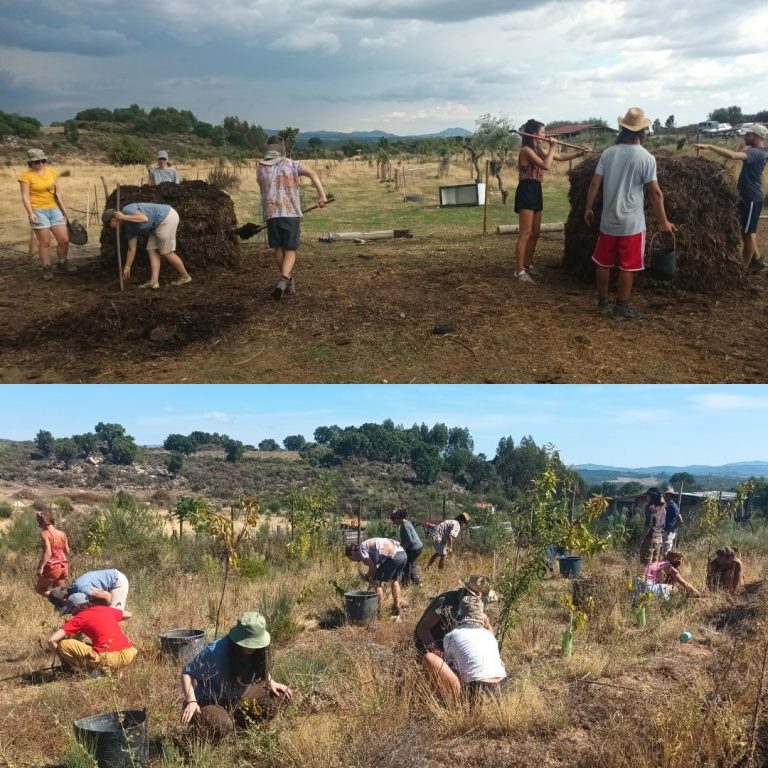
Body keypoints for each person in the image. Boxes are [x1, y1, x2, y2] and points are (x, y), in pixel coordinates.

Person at [585, 107, 676, 320]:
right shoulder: (646, 158)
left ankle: (602, 303)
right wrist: (663, 221)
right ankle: (621, 307)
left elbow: (594, 183)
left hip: (608, 222)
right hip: (632, 225)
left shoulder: (608, 153)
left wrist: (588, 208)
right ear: (642, 132)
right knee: (628, 266)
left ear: (623, 129)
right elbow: (655, 192)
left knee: (603, 262)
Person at [180, 611, 293, 739]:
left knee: (280, 695)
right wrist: (191, 701)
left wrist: (270, 680)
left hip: (239, 695)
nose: (252, 647)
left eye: (256, 643)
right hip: (210, 700)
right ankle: (202, 729)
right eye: (249, 642)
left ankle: (240, 724)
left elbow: (261, 664)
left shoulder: (260, 650)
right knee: (222, 725)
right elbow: (187, 672)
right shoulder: (214, 651)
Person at [256, 136, 328, 300]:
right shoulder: (292, 164)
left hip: (271, 213)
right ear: (282, 149)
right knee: (290, 249)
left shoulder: (260, 168)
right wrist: (322, 196)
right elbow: (312, 173)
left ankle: (288, 280)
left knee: (278, 248)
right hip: (291, 213)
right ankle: (284, 279)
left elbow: (262, 186)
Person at [514, 119, 586, 283]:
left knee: (535, 232)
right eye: (542, 132)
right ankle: (519, 271)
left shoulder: (537, 148)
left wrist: (579, 154)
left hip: (536, 189)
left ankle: (527, 265)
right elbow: (546, 165)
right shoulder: (526, 151)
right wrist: (552, 146)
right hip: (526, 190)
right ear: (534, 134)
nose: (545, 135)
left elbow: (557, 157)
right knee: (525, 233)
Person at [694, 124, 768, 272]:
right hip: (749, 196)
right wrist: (744, 147)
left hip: (751, 198)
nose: (745, 137)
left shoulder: (755, 153)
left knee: (748, 234)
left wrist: (709, 146)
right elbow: (740, 151)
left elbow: (733, 156)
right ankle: (757, 260)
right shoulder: (760, 151)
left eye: (748, 135)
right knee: (747, 230)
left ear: (756, 136)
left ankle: (744, 269)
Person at [414, 576, 495, 698]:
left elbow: (487, 629)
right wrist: (437, 652)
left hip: (455, 646)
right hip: (435, 644)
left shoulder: (475, 605)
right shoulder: (445, 602)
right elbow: (422, 630)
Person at [18, 148, 77, 280]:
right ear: (30, 162)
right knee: (45, 241)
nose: (40, 164)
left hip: (54, 209)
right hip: (38, 210)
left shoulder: (51, 172)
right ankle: (47, 268)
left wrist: (63, 208)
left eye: (42, 161)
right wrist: (30, 213)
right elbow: (25, 196)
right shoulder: (25, 177)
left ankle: (62, 263)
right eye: (36, 161)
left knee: (64, 240)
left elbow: (58, 192)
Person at [102, 203, 191, 289]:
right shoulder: (128, 229)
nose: (111, 227)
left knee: (166, 252)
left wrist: (124, 217)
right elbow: (131, 249)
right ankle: (154, 282)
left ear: (114, 219)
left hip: (166, 217)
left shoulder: (127, 210)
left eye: (109, 224)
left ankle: (185, 276)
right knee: (151, 249)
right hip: (155, 226)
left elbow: (144, 218)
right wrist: (127, 267)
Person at [47, 593, 137, 676]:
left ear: (76, 607)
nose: (72, 614)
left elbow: (51, 640)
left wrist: (63, 658)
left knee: (64, 644)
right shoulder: (104, 609)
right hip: (129, 654)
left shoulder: (80, 618)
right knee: (92, 646)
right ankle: (113, 670)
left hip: (109, 658)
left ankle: (95, 673)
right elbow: (129, 614)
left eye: (71, 610)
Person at [442, 595, 508, 703]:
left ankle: (452, 704)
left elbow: (448, 663)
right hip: (503, 685)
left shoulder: (451, 636)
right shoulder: (489, 635)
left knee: (430, 658)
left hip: (477, 688)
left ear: (460, 613)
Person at [344, 538, 406, 616]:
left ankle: (380, 611)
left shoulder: (361, 550)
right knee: (394, 580)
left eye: (351, 558)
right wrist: (370, 581)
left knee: (376, 583)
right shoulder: (366, 547)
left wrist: (366, 576)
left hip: (392, 556)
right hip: (402, 554)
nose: (352, 561)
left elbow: (373, 568)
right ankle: (397, 608)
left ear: (352, 553)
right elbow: (375, 570)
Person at [48, 567, 130, 611]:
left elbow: (107, 597)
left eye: (61, 605)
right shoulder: (75, 593)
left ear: (64, 600)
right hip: (109, 583)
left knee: (114, 614)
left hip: (116, 581)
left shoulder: (80, 588)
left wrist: (104, 612)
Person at [35, 512, 70, 595]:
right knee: (60, 593)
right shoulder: (62, 534)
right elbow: (67, 551)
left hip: (52, 566)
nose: (40, 527)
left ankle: (55, 598)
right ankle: (61, 600)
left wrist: (41, 567)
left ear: (43, 522)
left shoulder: (45, 534)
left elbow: (48, 552)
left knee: (40, 589)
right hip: (64, 566)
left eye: (39, 523)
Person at [389, 509, 423, 586]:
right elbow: (406, 539)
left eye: (393, 518)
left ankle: (405, 585)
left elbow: (410, 541)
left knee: (406, 566)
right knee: (411, 564)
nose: (392, 521)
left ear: (399, 518)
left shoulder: (405, 526)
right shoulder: (406, 523)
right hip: (417, 547)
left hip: (414, 548)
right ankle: (416, 583)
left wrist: (401, 549)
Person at [639, 487, 665, 566]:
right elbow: (663, 524)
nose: (646, 497)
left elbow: (648, 525)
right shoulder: (663, 508)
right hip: (659, 539)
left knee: (646, 564)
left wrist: (642, 539)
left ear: (651, 497)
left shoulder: (650, 508)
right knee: (654, 565)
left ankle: (646, 575)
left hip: (650, 540)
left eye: (648, 496)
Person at [662, 487, 683, 555]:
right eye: (665, 494)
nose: (665, 495)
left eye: (668, 494)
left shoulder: (673, 506)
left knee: (666, 553)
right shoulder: (665, 505)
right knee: (661, 553)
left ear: (671, 495)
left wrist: (670, 530)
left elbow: (680, 521)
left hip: (668, 533)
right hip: (663, 531)